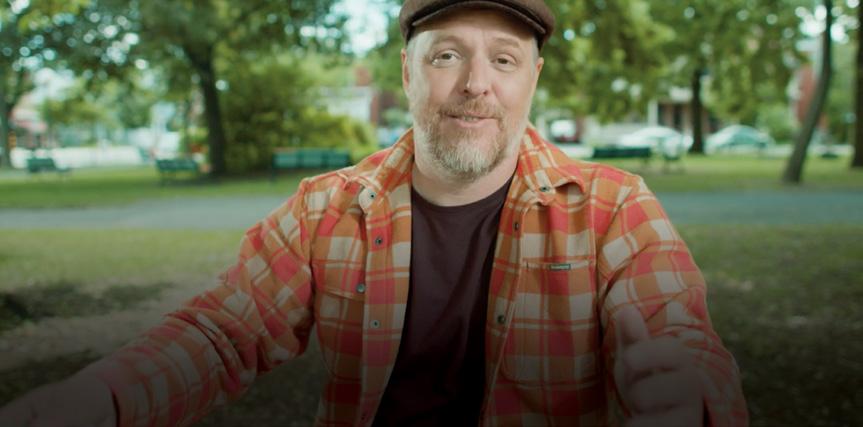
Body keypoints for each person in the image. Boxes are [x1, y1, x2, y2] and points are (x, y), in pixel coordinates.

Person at [0, 0, 748, 425]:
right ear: (407, 70)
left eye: (504, 58)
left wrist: (696, 394)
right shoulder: (326, 208)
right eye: (446, 54)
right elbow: (223, 332)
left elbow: (684, 339)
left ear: (533, 77)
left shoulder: (614, 207)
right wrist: (103, 395)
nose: (476, 84)